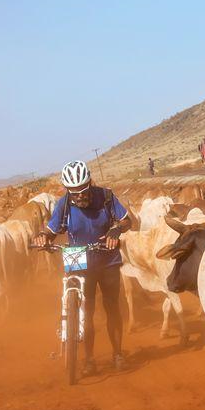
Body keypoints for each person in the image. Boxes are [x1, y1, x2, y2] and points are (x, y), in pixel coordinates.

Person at [34, 160, 132, 374]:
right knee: (84, 311)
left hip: (107, 258)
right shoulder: (64, 204)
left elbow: (127, 221)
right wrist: (43, 237)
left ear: (89, 183)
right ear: (67, 190)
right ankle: (89, 359)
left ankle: (117, 353)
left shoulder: (106, 196)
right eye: (74, 192)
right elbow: (52, 230)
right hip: (77, 257)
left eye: (83, 191)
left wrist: (116, 231)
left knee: (112, 306)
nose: (79, 196)